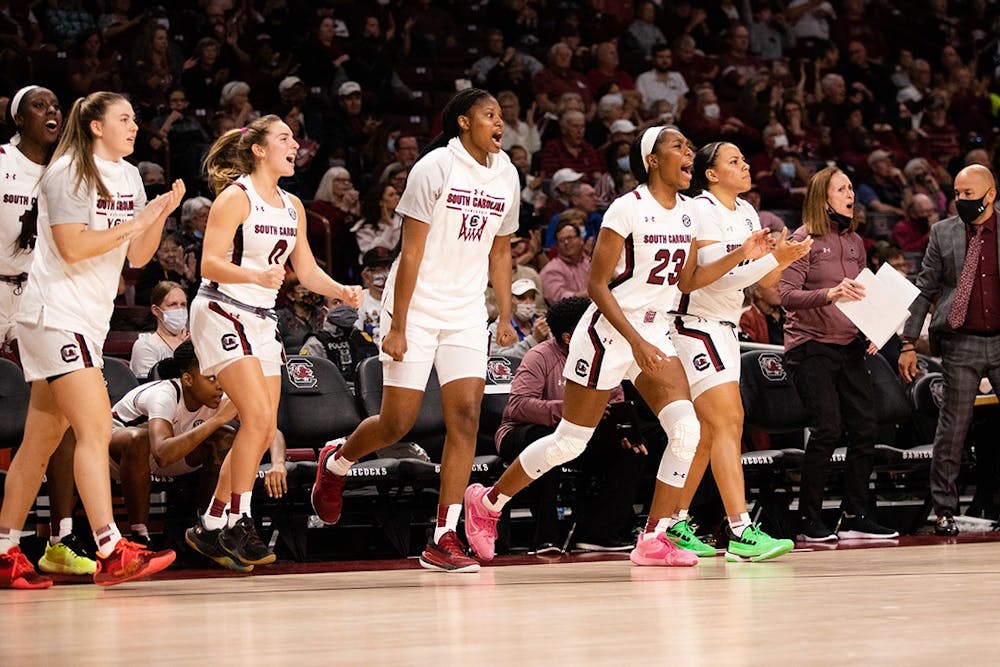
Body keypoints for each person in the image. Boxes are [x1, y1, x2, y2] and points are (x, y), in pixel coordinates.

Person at [462, 126, 772, 569]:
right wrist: (635, 341)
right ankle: (489, 502)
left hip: (656, 333)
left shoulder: (687, 213)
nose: (688, 153)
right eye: (678, 147)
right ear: (652, 159)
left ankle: (654, 537)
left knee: (688, 431)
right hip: (609, 333)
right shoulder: (626, 210)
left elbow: (687, 281)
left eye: (689, 147)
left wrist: (742, 252)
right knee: (570, 441)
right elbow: (597, 285)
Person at [310, 88, 521, 573]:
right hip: (418, 304)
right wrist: (399, 324)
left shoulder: (506, 172)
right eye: (489, 114)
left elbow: (502, 250)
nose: (500, 122)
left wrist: (505, 313)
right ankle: (337, 461)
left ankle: (443, 535)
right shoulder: (433, 168)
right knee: (398, 422)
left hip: (467, 308)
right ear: (463, 122)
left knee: (465, 416)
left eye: (501, 115)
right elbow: (413, 252)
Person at [0, 90, 183, 589]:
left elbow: (141, 256)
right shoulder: (67, 173)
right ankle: (109, 546)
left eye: (135, 118)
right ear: (96, 126)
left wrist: (161, 211)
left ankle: (3, 550)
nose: (134, 126)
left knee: (38, 442)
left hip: (86, 318)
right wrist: (137, 221)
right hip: (52, 314)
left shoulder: (126, 174)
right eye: (124, 118)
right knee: (96, 428)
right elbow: (73, 246)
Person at [183, 114, 363, 572]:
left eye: (294, 137)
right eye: (283, 137)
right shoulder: (234, 198)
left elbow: (305, 270)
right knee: (258, 415)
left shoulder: (292, 205)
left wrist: (340, 290)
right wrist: (254, 275)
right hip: (222, 307)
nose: (294, 144)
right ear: (259, 149)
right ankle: (240, 520)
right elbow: (208, 264)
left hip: (261, 317)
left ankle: (210, 524)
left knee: (262, 429)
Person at [663, 141, 810, 561]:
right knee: (730, 419)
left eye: (745, 159)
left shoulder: (746, 214)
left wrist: (787, 260)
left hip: (725, 326)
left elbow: (760, 284)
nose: (745, 166)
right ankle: (741, 530)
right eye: (734, 161)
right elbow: (710, 280)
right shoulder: (699, 211)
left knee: (708, 433)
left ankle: (673, 524)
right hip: (692, 324)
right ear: (710, 174)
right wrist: (768, 260)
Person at [0, 85, 97, 579]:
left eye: (57, 106)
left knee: (58, 415)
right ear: (18, 119)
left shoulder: (69, 171)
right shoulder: (0, 161)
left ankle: (60, 535)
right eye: (40, 106)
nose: (52, 112)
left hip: (42, 297)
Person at [779, 166, 899, 542]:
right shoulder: (803, 239)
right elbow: (785, 295)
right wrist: (830, 293)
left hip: (848, 345)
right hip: (810, 345)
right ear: (823, 197)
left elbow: (863, 294)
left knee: (865, 426)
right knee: (828, 428)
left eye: (851, 188)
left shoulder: (856, 242)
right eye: (843, 189)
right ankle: (808, 520)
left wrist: (875, 328)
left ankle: (855, 514)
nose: (851, 195)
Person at [494, 296, 645, 554]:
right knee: (547, 444)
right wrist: (568, 410)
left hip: (578, 436)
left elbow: (616, 401)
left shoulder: (604, 357)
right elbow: (517, 407)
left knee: (632, 453)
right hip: (521, 433)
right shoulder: (539, 356)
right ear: (567, 337)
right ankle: (546, 537)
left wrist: (621, 431)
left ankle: (598, 533)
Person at [900, 164, 1000, 537]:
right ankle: (944, 511)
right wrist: (909, 342)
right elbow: (924, 289)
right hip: (962, 341)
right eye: (957, 194)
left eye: (969, 195)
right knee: (952, 431)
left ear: (990, 195)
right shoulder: (943, 233)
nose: (961, 200)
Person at [130, 280, 189, 379]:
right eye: (172, 304)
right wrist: (184, 351)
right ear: (156, 311)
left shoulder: (194, 343)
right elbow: (152, 387)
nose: (180, 310)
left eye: (183, 305)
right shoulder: (145, 345)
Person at [489, 278, 549, 359]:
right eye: (521, 298)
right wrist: (533, 340)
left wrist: (547, 339)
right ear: (510, 300)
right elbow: (499, 359)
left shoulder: (543, 324)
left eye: (532, 298)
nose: (528, 303)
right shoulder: (496, 328)